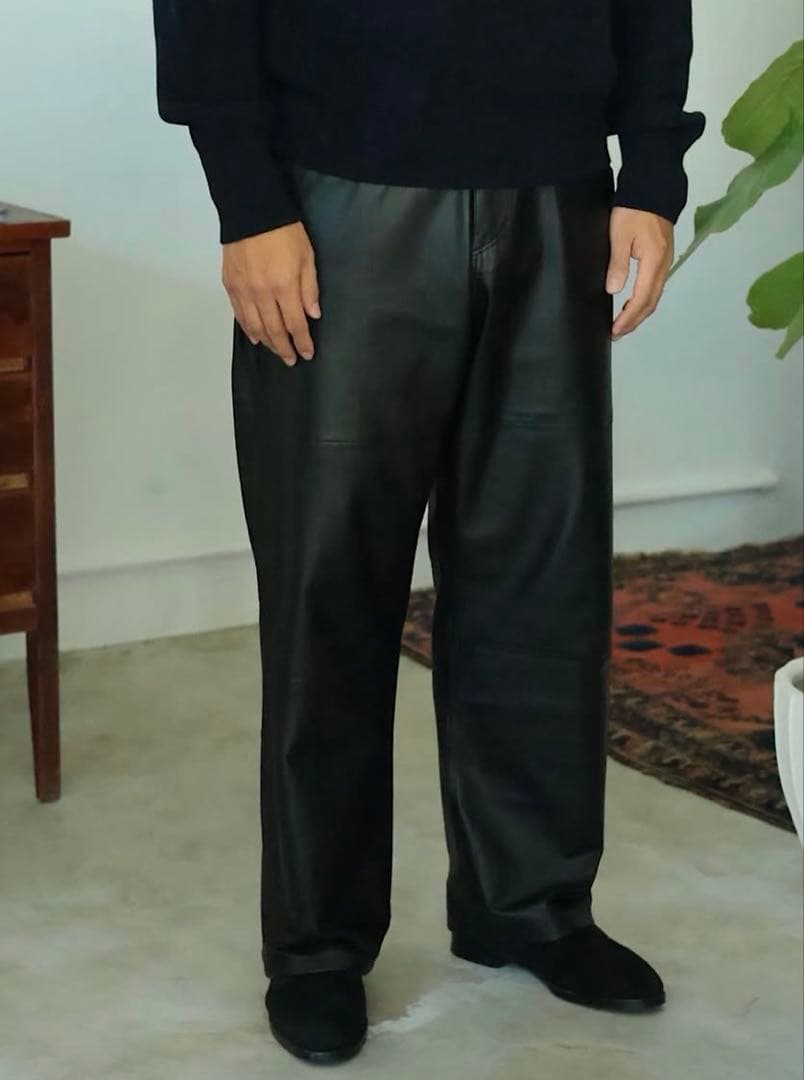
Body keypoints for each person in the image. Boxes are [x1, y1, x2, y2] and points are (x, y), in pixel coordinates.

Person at [151, 1, 705, 1065]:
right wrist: (248, 200)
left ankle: (528, 904)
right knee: (330, 584)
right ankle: (317, 944)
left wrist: (649, 173)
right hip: (338, 197)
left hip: (559, 192)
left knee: (543, 572)